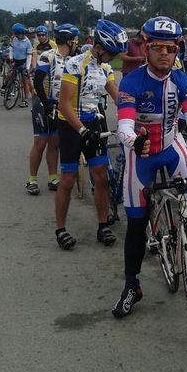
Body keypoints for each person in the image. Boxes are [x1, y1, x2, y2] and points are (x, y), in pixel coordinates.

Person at [112, 16, 187, 318]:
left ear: (177, 50)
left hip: (172, 149)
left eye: (170, 49)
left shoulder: (181, 81)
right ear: (145, 48)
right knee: (135, 224)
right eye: (157, 47)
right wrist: (133, 142)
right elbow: (124, 126)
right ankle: (132, 285)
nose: (164, 54)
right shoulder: (132, 81)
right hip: (140, 156)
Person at [54, 19, 128, 250]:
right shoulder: (75, 64)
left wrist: (138, 113)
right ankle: (60, 228)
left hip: (92, 123)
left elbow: (119, 98)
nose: (114, 59)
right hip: (70, 126)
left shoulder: (105, 69)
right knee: (67, 179)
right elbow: (63, 104)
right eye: (113, 53)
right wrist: (82, 130)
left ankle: (102, 225)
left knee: (101, 176)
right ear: (101, 47)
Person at [26, 24, 78, 196]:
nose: (76, 43)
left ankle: (52, 177)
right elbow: (38, 82)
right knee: (41, 142)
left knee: (55, 141)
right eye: (75, 40)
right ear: (68, 41)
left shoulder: (73, 59)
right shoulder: (47, 56)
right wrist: (46, 104)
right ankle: (32, 179)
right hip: (43, 103)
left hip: (60, 105)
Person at [2, 23, 33, 107]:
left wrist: (27, 67)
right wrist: (11, 58)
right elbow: (12, 49)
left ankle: (25, 100)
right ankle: (5, 87)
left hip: (24, 62)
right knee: (9, 75)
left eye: (17, 34)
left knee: (25, 81)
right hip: (15, 61)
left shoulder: (28, 43)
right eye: (15, 34)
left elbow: (29, 56)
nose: (16, 35)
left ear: (22, 34)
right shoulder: (14, 39)